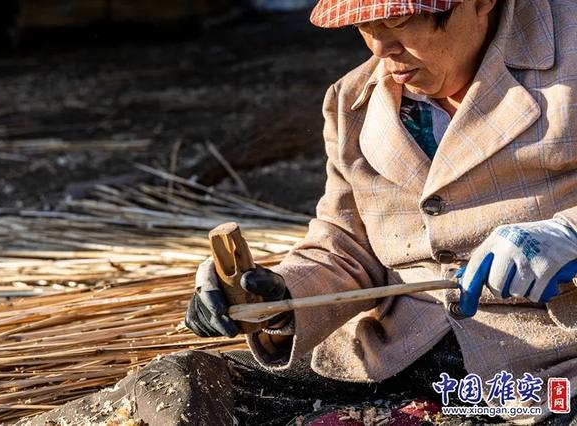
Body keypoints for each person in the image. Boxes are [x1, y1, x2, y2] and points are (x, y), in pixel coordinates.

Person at [185, 0, 577, 424]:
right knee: (193, 386)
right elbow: (345, 243)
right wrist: (279, 299)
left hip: (551, 357)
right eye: (364, 26)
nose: (380, 47)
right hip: (407, 348)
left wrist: (567, 233)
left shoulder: (568, 55)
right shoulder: (352, 101)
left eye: (396, 20)